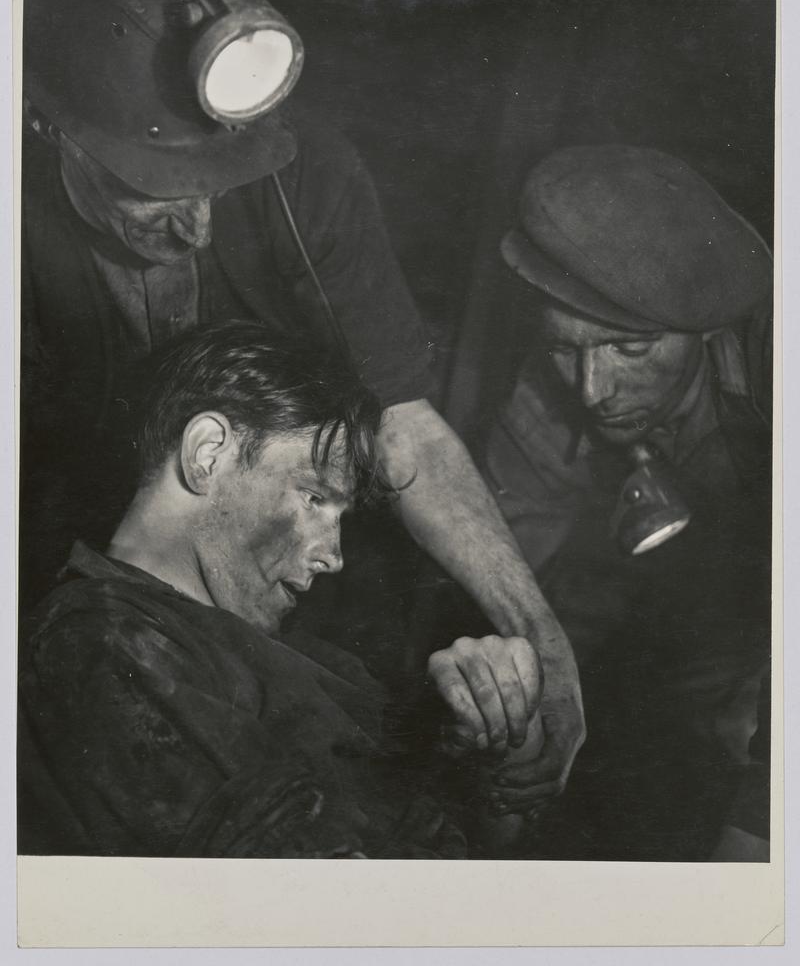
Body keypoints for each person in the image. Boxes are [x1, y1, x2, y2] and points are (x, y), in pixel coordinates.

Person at [20, 0, 583, 805]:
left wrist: (546, 644)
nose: (199, 229)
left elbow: (405, 429)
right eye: (154, 192)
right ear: (49, 129)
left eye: (214, 186)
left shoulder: (305, 171)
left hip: (249, 568)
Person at [18, 321, 545, 858]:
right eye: (315, 497)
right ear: (207, 454)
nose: (334, 557)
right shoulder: (100, 638)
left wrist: (498, 733)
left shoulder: (311, 660)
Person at [483, 144, 772, 858]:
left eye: (630, 351)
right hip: (687, 607)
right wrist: (516, 738)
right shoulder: (543, 402)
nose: (591, 390)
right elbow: (516, 589)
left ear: (704, 331)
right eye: (564, 349)